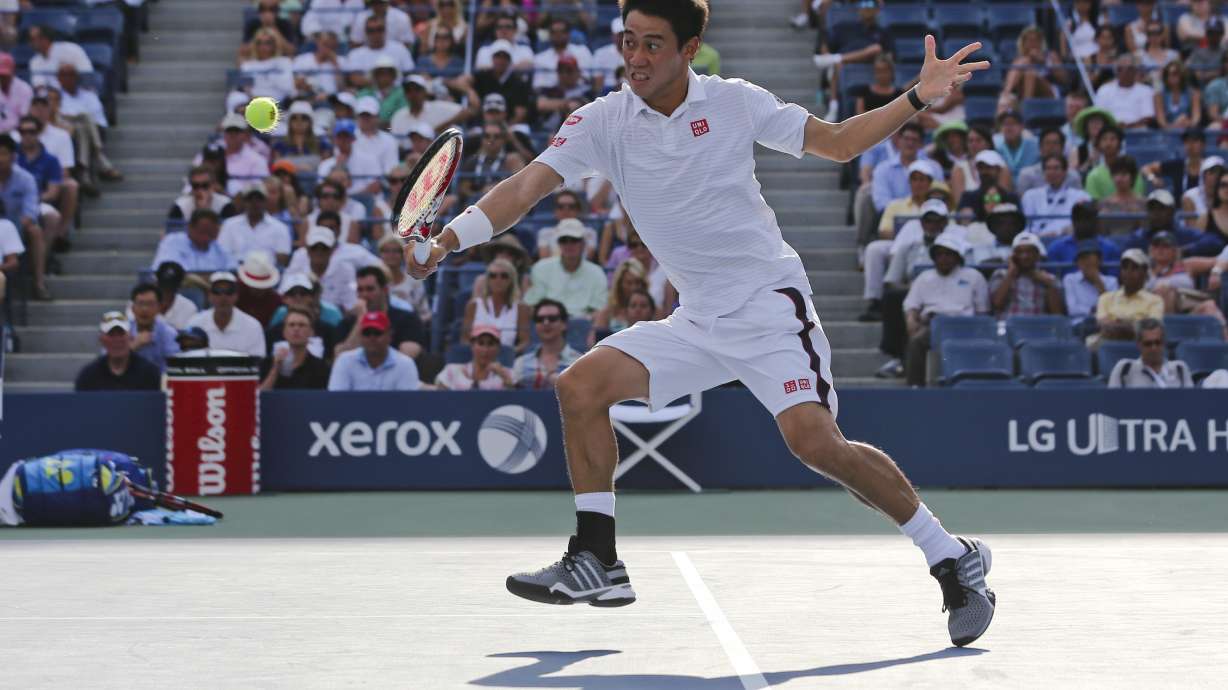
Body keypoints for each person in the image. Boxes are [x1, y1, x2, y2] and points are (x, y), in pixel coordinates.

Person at [405, 0, 996, 644]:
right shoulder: (601, 120)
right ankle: (597, 558)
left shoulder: (735, 101)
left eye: (653, 44)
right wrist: (447, 241)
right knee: (580, 387)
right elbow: (524, 188)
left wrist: (918, 95)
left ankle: (950, 556)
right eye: (629, 41)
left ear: (689, 50)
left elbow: (837, 142)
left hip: (768, 306)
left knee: (815, 443)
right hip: (696, 317)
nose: (636, 58)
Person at [903, 233, 989, 387]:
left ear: (957, 256)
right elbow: (911, 305)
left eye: (948, 254)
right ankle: (915, 387)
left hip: (966, 326)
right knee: (916, 341)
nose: (943, 258)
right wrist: (911, 319)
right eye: (939, 254)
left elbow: (983, 311)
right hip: (934, 324)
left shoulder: (973, 276)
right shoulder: (924, 278)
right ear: (934, 257)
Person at [336, 265, 427, 359]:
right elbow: (340, 359)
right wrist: (361, 318)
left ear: (385, 290)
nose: (364, 295)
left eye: (370, 289)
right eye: (360, 290)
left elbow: (409, 355)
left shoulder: (407, 319)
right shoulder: (347, 322)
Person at [523, 221, 608, 318]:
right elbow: (531, 303)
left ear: (583, 243)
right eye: (563, 240)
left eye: (574, 240)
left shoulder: (597, 272)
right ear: (558, 243)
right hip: (549, 320)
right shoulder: (540, 268)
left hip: (585, 322)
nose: (569, 244)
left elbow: (600, 308)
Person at [327, 310, 420, 391]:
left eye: (377, 333)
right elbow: (337, 400)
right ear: (360, 336)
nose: (372, 338)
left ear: (389, 335)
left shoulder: (405, 364)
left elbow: (406, 403)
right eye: (367, 333)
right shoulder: (345, 361)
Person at [186, 271, 267, 357]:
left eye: (229, 292)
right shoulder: (195, 324)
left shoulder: (253, 327)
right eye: (217, 291)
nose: (223, 297)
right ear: (209, 295)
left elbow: (257, 361)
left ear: (236, 296)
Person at [75, 311, 162, 392]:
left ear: (130, 336)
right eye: (111, 334)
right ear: (102, 339)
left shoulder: (149, 374)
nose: (117, 340)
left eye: (121, 333)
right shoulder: (88, 377)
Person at [511, 298, 583, 390]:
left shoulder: (580, 362)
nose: (546, 323)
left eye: (552, 319)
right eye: (540, 319)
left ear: (564, 324)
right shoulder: (521, 363)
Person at [1097, 249, 1165, 343]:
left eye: (1134, 267)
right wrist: (1133, 325)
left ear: (1144, 272)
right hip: (1108, 343)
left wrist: (1117, 324)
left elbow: (1150, 330)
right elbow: (1103, 325)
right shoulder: (1105, 298)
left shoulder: (1155, 300)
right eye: (1125, 267)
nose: (1128, 272)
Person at [988, 232, 1064, 317]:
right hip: (1008, 324)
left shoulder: (1050, 279)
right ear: (1013, 255)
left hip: (1038, 324)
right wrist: (1011, 274)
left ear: (1037, 255)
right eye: (1019, 252)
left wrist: (1049, 285)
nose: (1024, 256)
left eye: (1029, 252)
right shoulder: (1001, 275)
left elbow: (1057, 314)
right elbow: (996, 305)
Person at [462, 256, 529, 351]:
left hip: (508, 356)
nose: (498, 279)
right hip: (476, 355)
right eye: (493, 276)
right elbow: (465, 339)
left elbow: (524, 341)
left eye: (504, 276)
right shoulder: (473, 305)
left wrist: (509, 353)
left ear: (511, 280)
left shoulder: (521, 308)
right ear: (487, 280)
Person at [217, 184, 292, 266]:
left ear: (265, 201)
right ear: (244, 202)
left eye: (259, 199)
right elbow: (222, 254)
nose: (254, 203)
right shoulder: (229, 225)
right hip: (235, 270)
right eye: (250, 199)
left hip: (268, 271)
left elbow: (283, 259)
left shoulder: (280, 228)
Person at [1108, 318, 1194, 388]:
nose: (1154, 348)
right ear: (1138, 344)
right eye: (1148, 344)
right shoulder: (1125, 369)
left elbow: (1191, 400)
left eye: (1158, 342)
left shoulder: (1179, 369)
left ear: (1164, 342)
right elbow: (1111, 400)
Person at [260, 305, 331, 390]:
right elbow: (259, 395)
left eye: (302, 325)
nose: (296, 329)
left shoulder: (321, 368)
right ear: (284, 332)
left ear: (311, 332)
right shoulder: (268, 364)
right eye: (291, 325)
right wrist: (275, 369)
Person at [1022, 154, 1090, 239]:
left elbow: (1080, 225)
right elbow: (1028, 224)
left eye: (1056, 168)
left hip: (1066, 238)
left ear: (1065, 171)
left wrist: (1059, 232)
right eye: (1048, 168)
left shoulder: (1081, 196)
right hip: (1036, 240)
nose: (1052, 172)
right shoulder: (1030, 195)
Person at [151, 208, 235, 273]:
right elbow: (168, 271)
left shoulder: (220, 248)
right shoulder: (172, 241)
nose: (206, 238)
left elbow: (232, 270)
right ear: (190, 227)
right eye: (203, 232)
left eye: (211, 233)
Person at [435, 324, 515, 390]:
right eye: (481, 343)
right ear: (472, 346)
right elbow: (438, 397)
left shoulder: (509, 374)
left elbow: (517, 399)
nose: (485, 350)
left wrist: (504, 376)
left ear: (498, 347)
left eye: (491, 344)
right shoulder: (452, 371)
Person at [1047, 200, 1124, 267]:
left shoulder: (1110, 249)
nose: (1082, 222)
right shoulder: (1056, 249)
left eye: (1087, 218)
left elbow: (1113, 278)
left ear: (1096, 221)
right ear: (1073, 220)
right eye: (1078, 218)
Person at [1063, 240, 1118, 333]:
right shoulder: (1070, 279)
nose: (1085, 262)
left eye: (1088, 257)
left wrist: (1099, 284)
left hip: (1104, 325)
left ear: (1099, 261)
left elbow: (1112, 309)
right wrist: (1092, 310)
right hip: (1078, 326)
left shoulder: (1111, 281)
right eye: (1081, 258)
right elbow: (1072, 309)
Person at [128, 283, 181, 371]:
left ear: (159, 307)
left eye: (150, 304)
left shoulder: (169, 333)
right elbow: (108, 364)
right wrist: (134, 346)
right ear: (132, 308)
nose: (145, 309)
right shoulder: (121, 332)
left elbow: (174, 366)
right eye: (140, 303)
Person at [1094, 55, 1155, 130]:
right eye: (1120, 69)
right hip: (1110, 131)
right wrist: (1115, 127)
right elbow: (1099, 115)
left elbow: (1148, 117)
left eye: (1129, 68)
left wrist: (1127, 126)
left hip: (1139, 132)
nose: (1125, 71)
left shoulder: (1146, 90)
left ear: (1135, 71)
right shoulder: (1104, 90)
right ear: (1116, 72)